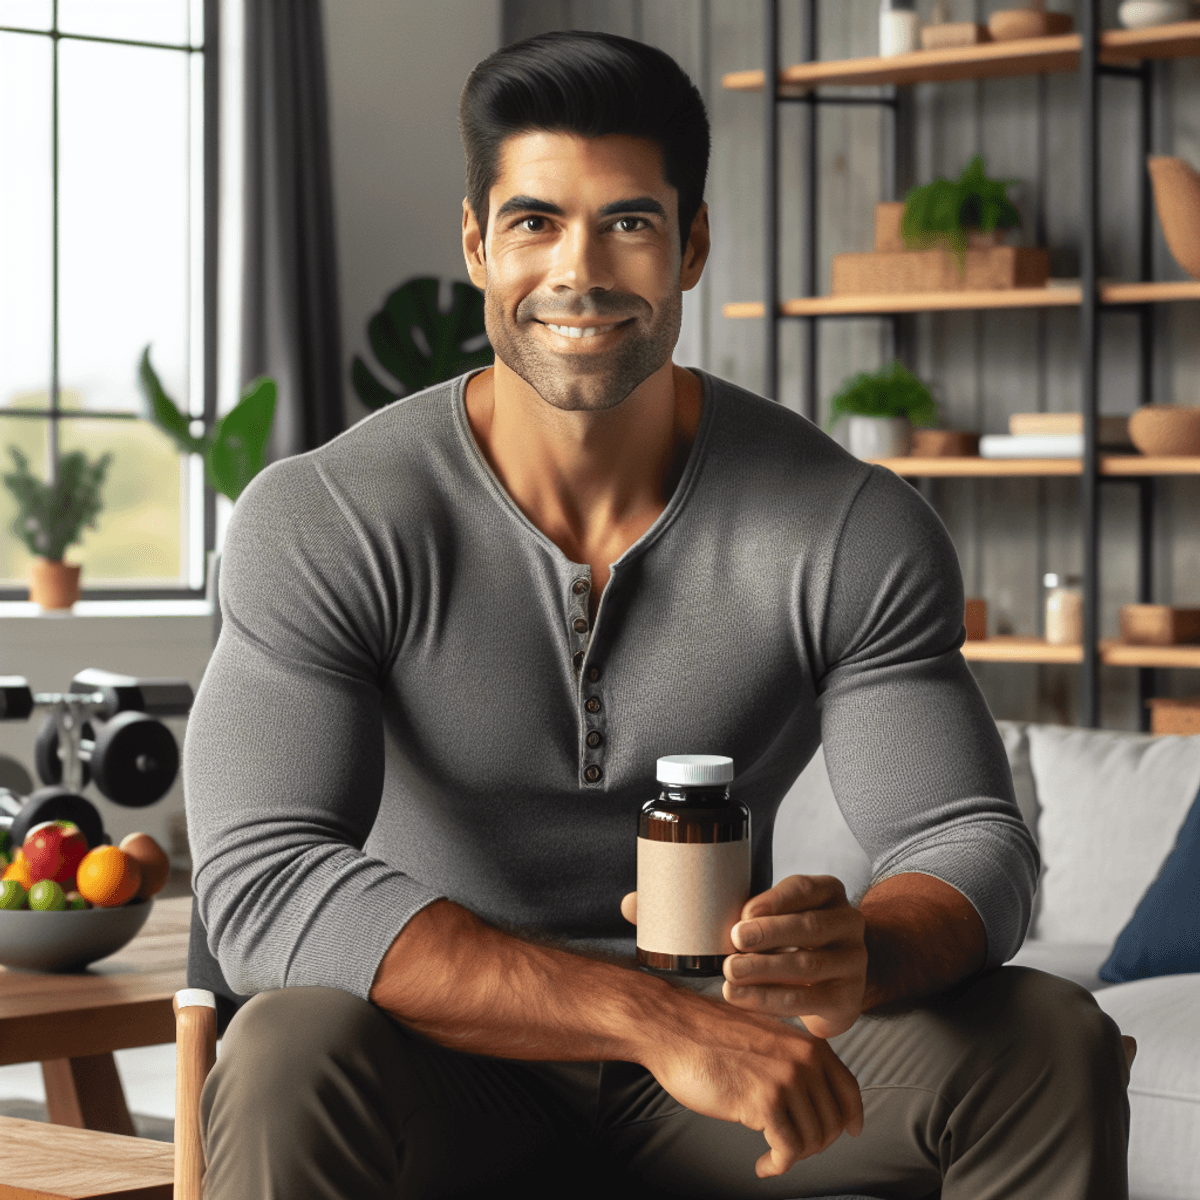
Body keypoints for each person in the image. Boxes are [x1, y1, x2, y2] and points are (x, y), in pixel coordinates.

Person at [185, 29, 1130, 1200]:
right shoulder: (326, 517)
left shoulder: (848, 525)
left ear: (689, 248)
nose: (578, 271)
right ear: (477, 243)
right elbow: (265, 883)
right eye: (535, 221)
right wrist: (651, 1021)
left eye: (627, 222)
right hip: (445, 1062)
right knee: (284, 1050)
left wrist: (865, 951)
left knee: (1044, 1038)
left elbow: (973, 842)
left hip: (736, 1067)